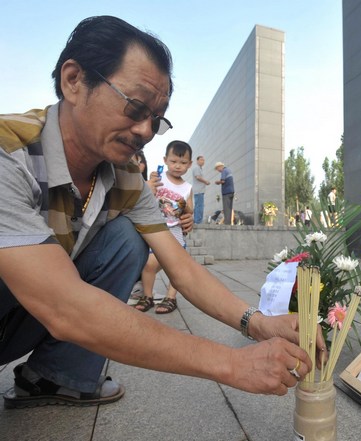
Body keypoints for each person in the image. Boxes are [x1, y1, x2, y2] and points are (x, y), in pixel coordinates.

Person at [0, 16, 321, 410]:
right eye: (135, 106)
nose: (144, 130)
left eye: (156, 118)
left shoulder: (124, 176)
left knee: (125, 239)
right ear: (73, 80)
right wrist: (232, 363)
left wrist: (258, 324)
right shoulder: (8, 156)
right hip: (32, 306)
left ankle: (56, 376)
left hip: (22, 315)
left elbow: (180, 267)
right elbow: (64, 307)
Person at [134, 140, 193, 314]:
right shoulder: (159, 179)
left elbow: (190, 210)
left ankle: (171, 297)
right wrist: (150, 184)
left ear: (189, 165)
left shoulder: (187, 187)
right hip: (157, 227)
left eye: (183, 163)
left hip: (175, 230)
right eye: (174, 161)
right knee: (149, 265)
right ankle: (147, 295)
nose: (178, 166)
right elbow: (147, 196)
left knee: (176, 266)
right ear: (165, 159)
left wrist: (185, 207)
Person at [192, 155, 210, 224]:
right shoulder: (196, 168)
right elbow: (198, 177)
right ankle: (198, 222)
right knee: (199, 206)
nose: (203, 161)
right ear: (197, 161)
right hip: (198, 191)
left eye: (204, 160)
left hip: (200, 191)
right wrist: (206, 181)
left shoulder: (200, 168)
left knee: (198, 206)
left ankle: (197, 221)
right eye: (201, 160)